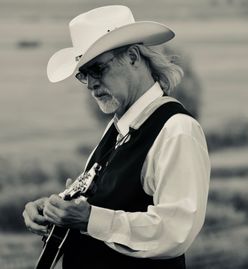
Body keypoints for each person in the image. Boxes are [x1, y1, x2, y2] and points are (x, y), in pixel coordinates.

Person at [22, 5, 210, 269]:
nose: (90, 84)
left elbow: (175, 231)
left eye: (97, 69)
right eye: (83, 74)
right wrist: (54, 212)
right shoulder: (117, 129)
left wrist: (89, 219)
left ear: (133, 56)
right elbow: (101, 204)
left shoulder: (177, 129)